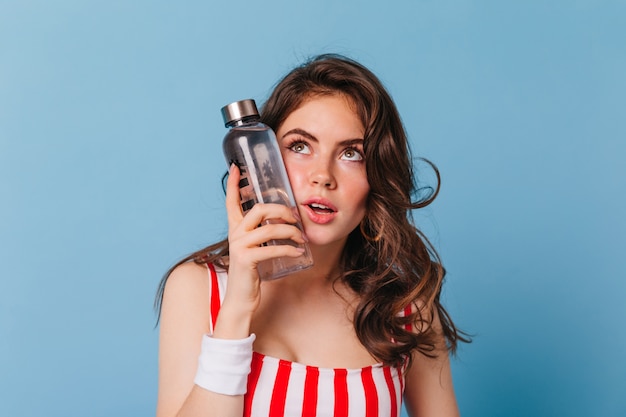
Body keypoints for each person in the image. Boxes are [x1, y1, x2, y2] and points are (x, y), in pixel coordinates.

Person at [154, 54, 468, 417]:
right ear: (260, 157)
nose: (323, 175)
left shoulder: (406, 305)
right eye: (300, 146)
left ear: (378, 178)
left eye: (352, 153)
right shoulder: (197, 289)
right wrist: (236, 310)